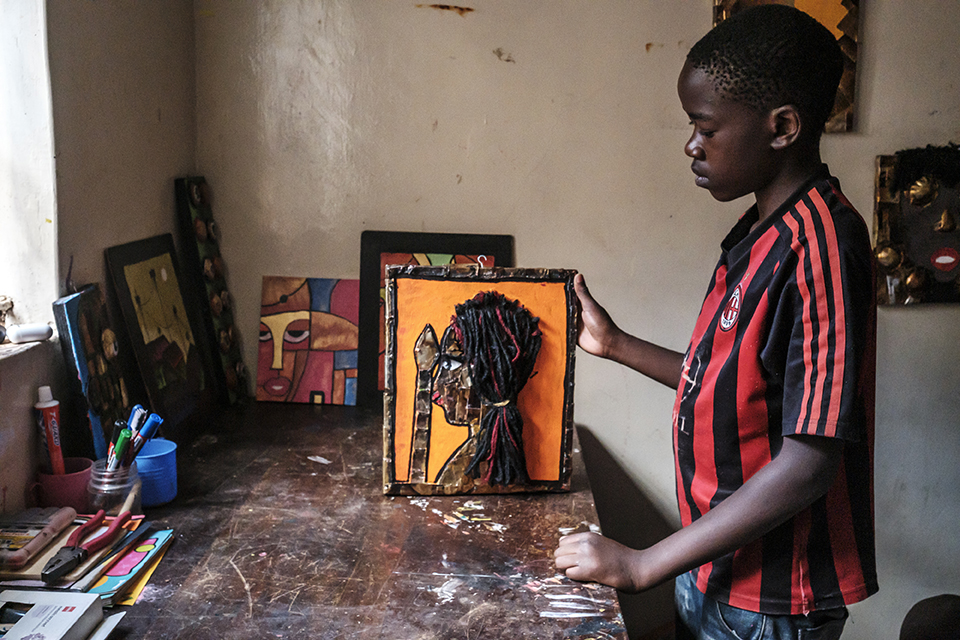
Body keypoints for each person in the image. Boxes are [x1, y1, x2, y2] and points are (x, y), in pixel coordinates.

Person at [553, 6, 877, 639]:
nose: (691, 144)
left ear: (782, 126)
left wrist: (643, 564)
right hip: (709, 571)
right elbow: (735, 388)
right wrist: (617, 345)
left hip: (772, 602)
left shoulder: (823, 245)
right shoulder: (756, 234)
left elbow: (809, 460)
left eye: (705, 126)